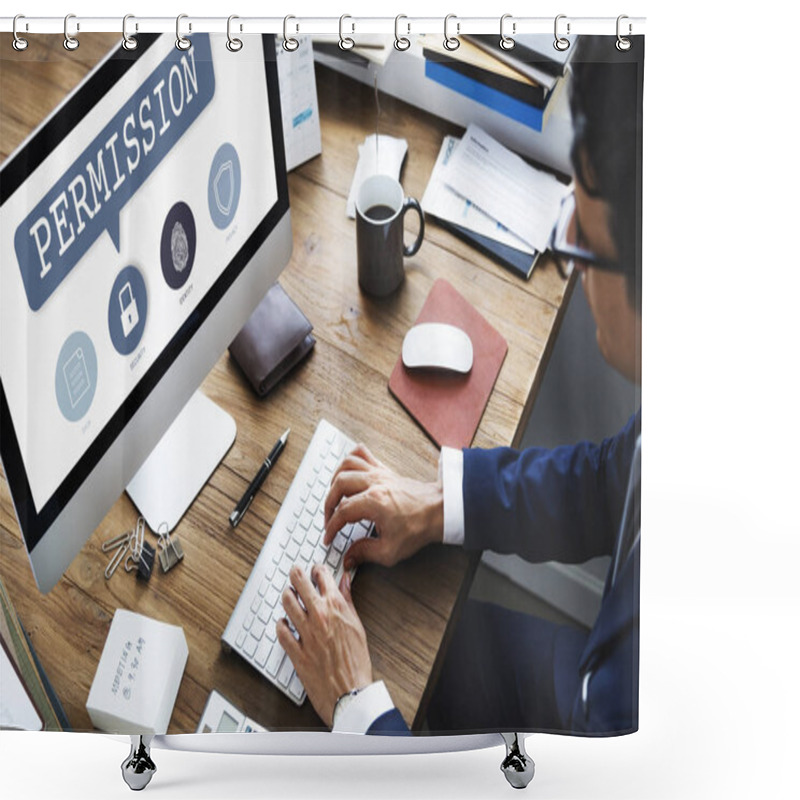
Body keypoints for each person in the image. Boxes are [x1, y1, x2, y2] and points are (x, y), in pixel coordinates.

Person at [276, 36, 643, 736]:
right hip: (597, 675)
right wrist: (440, 500)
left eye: (584, 243)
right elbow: (610, 478)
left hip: (602, 709)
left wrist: (356, 702)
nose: (569, 256)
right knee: (446, 642)